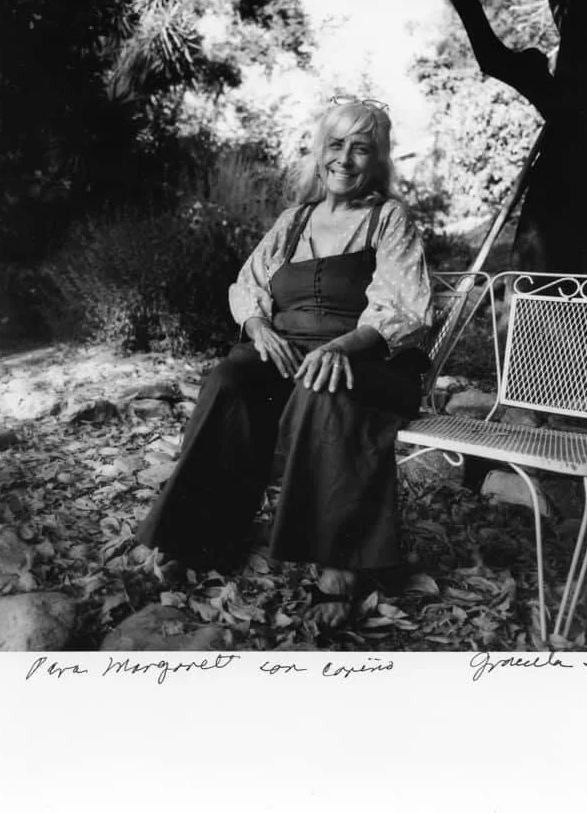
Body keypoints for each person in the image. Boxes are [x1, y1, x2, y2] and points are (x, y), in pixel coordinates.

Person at [137, 96, 433, 627]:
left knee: (326, 386)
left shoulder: (388, 219)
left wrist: (341, 347)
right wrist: (258, 329)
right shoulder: (294, 221)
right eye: (335, 144)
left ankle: (339, 565)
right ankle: (200, 536)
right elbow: (247, 284)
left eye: (361, 148)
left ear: (378, 160)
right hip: (288, 350)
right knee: (230, 378)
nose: (344, 158)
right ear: (319, 152)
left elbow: (403, 305)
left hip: (367, 356)